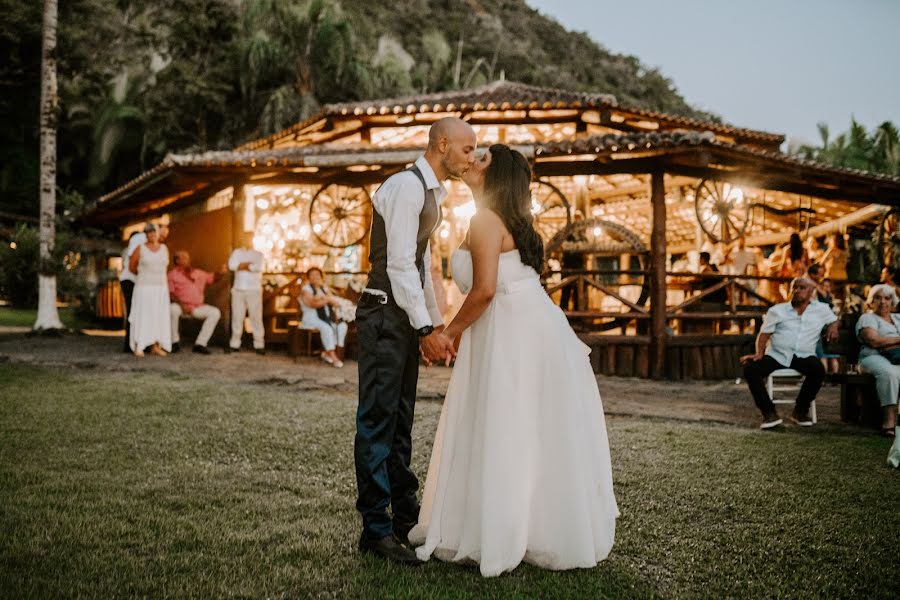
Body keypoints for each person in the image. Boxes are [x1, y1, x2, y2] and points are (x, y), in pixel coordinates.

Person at [410, 144, 618, 577]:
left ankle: (508, 529)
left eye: (481, 158)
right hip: (523, 327)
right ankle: (519, 526)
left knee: (506, 424)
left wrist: (449, 332)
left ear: (498, 174)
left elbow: (484, 289)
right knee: (525, 427)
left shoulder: (485, 220)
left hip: (513, 331)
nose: (472, 160)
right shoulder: (506, 221)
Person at [354, 117, 471, 565]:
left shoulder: (431, 193)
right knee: (378, 419)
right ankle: (375, 529)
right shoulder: (405, 187)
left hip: (403, 314)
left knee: (401, 419)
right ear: (442, 144)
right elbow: (400, 265)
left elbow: (421, 266)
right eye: (465, 148)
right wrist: (425, 328)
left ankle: (405, 516)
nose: (470, 156)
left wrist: (435, 324)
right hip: (385, 311)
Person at [741, 277, 839, 429]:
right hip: (777, 355)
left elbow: (834, 319)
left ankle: (800, 411)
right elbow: (764, 334)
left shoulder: (821, 309)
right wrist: (759, 353)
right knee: (750, 368)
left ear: (811, 291)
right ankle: (769, 414)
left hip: (804, 355)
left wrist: (833, 327)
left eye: (802, 288)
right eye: (795, 287)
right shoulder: (777, 311)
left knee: (818, 370)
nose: (797, 291)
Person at [855, 284, 900, 436]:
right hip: (872, 357)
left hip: (896, 358)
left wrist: (889, 341)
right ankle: (889, 421)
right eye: (878, 298)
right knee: (889, 374)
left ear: (892, 301)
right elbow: (874, 341)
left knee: (894, 372)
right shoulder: (867, 318)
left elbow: (882, 340)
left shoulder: (898, 318)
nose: (883, 302)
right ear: (871, 301)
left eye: (887, 298)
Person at [119, 224, 169, 352]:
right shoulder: (138, 243)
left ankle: (154, 345)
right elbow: (131, 266)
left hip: (159, 287)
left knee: (157, 315)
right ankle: (137, 345)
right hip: (140, 284)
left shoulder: (163, 248)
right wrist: (145, 275)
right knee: (140, 313)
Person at [167, 250, 222, 354]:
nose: (186, 260)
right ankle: (174, 342)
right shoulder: (171, 275)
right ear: (177, 260)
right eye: (183, 257)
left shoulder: (198, 272)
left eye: (187, 257)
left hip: (197, 307)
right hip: (181, 306)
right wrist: (182, 305)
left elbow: (212, 278)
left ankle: (200, 344)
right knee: (172, 309)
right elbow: (170, 294)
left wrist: (221, 272)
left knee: (215, 312)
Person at [300, 267, 348, 368]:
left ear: (321, 276)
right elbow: (312, 304)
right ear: (308, 277)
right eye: (312, 275)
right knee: (326, 328)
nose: (315, 277)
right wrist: (326, 300)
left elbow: (334, 302)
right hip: (311, 318)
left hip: (325, 317)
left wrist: (325, 298)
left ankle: (327, 353)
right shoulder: (306, 289)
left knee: (339, 326)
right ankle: (333, 356)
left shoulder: (324, 289)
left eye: (317, 274)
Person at [227, 234, 265, 355]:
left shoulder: (258, 254)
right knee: (237, 317)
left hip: (253, 289)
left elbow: (258, 267)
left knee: (256, 317)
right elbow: (232, 266)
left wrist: (241, 265)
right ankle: (235, 343)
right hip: (238, 288)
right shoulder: (237, 252)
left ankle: (259, 344)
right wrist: (247, 265)